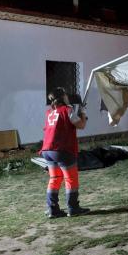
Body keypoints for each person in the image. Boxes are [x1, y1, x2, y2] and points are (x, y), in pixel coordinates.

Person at [40, 87, 90, 218]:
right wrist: (83, 112)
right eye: (66, 95)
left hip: (47, 150)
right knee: (70, 179)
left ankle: (52, 209)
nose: (68, 96)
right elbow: (81, 125)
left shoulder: (49, 113)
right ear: (62, 97)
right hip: (62, 150)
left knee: (55, 178)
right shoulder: (68, 110)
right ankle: (73, 208)